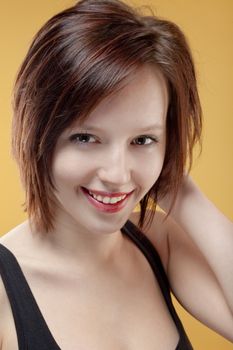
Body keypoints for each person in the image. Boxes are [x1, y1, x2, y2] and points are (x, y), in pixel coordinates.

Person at [0, 0, 232, 349]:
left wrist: (186, 198)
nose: (118, 174)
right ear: (37, 134)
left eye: (143, 139)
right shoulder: (5, 288)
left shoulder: (158, 240)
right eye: (85, 138)